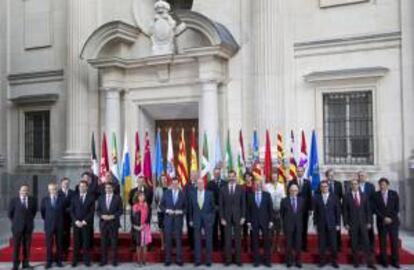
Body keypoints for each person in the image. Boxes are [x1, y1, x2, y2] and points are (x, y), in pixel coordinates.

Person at [343, 179, 376, 269]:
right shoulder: (347, 196)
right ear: (351, 186)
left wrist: (369, 222)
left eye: (356, 184)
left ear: (358, 185)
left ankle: (370, 262)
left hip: (364, 223)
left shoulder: (364, 195)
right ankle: (356, 262)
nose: (354, 185)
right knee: (354, 243)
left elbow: (368, 210)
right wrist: (346, 223)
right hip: (352, 224)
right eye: (352, 184)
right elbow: (345, 211)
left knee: (366, 243)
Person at [219, 170, 246, 266]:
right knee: (227, 240)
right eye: (229, 176)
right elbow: (221, 205)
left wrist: (243, 216)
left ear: (235, 177)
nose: (231, 178)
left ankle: (238, 260)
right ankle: (228, 260)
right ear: (228, 177)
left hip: (238, 217)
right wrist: (221, 218)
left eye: (232, 176)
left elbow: (243, 204)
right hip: (226, 218)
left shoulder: (241, 188)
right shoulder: (223, 189)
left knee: (238, 240)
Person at [8, 184, 37, 270]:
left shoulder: (32, 200)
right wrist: (17, 222)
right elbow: (10, 214)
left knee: (27, 246)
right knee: (16, 246)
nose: (24, 192)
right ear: (19, 191)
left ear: (28, 191)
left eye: (26, 190)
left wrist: (28, 222)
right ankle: (15, 264)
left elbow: (33, 213)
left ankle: (26, 263)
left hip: (28, 227)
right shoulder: (14, 200)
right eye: (23, 190)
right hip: (17, 227)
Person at [373, 178, 400, 268]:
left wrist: (391, 218)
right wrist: (384, 218)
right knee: (382, 242)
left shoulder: (394, 194)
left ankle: (395, 261)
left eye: (384, 184)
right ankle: (384, 262)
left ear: (387, 185)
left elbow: (397, 208)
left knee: (394, 242)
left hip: (393, 222)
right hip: (381, 222)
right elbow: (375, 209)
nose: (382, 186)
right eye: (380, 184)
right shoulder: (376, 195)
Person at [313, 180, 341, 268]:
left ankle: (334, 261)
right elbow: (315, 212)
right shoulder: (316, 197)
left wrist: (338, 224)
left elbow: (337, 212)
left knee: (333, 244)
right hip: (321, 224)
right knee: (322, 244)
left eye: (325, 186)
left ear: (328, 187)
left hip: (332, 224)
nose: (324, 188)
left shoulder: (335, 197)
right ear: (320, 188)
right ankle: (322, 261)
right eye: (322, 187)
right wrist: (315, 223)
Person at [188, 177, 216, 266]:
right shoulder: (192, 194)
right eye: (198, 183)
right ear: (196, 185)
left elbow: (213, 208)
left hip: (207, 220)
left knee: (208, 240)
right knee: (197, 240)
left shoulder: (210, 194)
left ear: (204, 184)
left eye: (201, 183)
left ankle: (208, 261)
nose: (200, 185)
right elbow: (190, 209)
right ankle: (198, 260)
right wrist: (191, 219)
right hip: (196, 219)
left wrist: (211, 219)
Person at [246, 179, 273, 267]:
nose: (257, 186)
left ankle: (267, 261)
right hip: (254, 222)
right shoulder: (250, 196)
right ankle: (256, 261)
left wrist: (271, 221)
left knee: (266, 242)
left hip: (265, 221)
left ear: (261, 185)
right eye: (256, 184)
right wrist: (249, 222)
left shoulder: (267, 195)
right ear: (254, 185)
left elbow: (270, 209)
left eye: (259, 184)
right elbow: (248, 210)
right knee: (255, 242)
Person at [160, 177, 187, 266]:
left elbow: (186, 208)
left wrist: (181, 211)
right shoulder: (166, 193)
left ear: (178, 184)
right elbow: (161, 206)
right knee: (168, 240)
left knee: (178, 240)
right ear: (171, 184)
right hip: (168, 220)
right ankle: (168, 259)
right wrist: (167, 210)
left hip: (178, 220)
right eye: (173, 184)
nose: (175, 185)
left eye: (176, 184)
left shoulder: (182, 194)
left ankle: (179, 259)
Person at [96, 182, 123, 266]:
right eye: (106, 188)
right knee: (103, 243)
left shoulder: (118, 198)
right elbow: (98, 211)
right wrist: (102, 216)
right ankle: (103, 260)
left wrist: (113, 216)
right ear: (104, 189)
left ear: (113, 188)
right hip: (103, 223)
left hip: (113, 223)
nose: (108, 189)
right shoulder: (100, 198)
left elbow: (120, 210)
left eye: (109, 188)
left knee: (114, 243)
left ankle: (114, 261)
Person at [70, 180, 95, 267]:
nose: (82, 188)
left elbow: (92, 212)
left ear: (87, 187)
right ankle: (74, 261)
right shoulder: (74, 197)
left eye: (84, 186)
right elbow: (71, 211)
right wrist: (76, 221)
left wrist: (84, 221)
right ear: (78, 187)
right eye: (80, 186)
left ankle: (86, 261)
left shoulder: (91, 198)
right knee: (76, 243)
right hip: (76, 224)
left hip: (86, 224)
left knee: (86, 243)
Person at [40, 182, 65, 268]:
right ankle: (49, 261)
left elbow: (64, 212)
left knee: (59, 244)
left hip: (60, 225)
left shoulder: (62, 199)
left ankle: (59, 261)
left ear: (57, 189)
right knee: (49, 244)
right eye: (51, 189)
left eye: (54, 189)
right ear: (48, 190)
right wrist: (48, 220)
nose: (53, 190)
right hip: (49, 225)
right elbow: (43, 212)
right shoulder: (45, 200)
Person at [288, 166, 312, 251]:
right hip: (295, 210)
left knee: (304, 228)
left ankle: (303, 246)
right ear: (296, 172)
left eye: (301, 171)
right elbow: (289, 196)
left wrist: (310, 209)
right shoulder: (292, 182)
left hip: (305, 210)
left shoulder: (307, 182)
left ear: (303, 172)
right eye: (298, 171)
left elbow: (310, 196)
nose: (299, 172)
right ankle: (295, 246)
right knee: (295, 228)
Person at [281, 183, 304, 268]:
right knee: (289, 244)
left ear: (298, 191)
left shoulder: (301, 200)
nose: (293, 192)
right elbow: (282, 214)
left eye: (295, 190)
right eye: (292, 190)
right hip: (288, 226)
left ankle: (298, 261)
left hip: (298, 226)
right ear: (289, 191)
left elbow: (302, 214)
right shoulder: (284, 200)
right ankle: (289, 261)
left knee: (298, 244)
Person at [319, 169, 344, 251]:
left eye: (332, 175)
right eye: (329, 175)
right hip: (326, 209)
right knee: (327, 229)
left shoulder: (338, 184)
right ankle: (327, 245)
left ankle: (338, 246)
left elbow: (341, 196)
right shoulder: (322, 184)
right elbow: (318, 194)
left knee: (337, 228)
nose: (331, 177)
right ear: (326, 176)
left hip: (336, 209)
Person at [264, 169, 286, 253]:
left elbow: (283, 198)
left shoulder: (281, 185)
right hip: (270, 211)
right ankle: (271, 246)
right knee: (270, 230)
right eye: (273, 176)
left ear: (277, 177)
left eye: (275, 176)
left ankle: (277, 246)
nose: (274, 178)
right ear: (271, 177)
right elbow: (265, 198)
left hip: (279, 210)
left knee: (278, 229)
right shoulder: (267, 186)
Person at [206, 167, 227, 250]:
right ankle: (214, 246)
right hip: (213, 210)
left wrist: (221, 207)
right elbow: (207, 197)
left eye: (218, 173)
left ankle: (223, 246)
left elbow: (226, 196)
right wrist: (214, 206)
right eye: (215, 173)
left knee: (223, 228)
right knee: (213, 228)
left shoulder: (225, 183)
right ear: (213, 174)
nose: (217, 174)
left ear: (220, 174)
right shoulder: (209, 184)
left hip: (223, 210)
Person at [131, 191, 152, 266]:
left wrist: (144, 225)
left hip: (145, 227)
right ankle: (139, 260)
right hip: (137, 228)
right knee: (138, 244)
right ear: (137, 197)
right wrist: (136, 226)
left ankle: (144, 260)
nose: (142, 197)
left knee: (145, 245)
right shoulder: (134, 206)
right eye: (140, 196)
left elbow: (148, 217)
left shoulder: (147, 206)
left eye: (143, 196)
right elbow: (132, 218)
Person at [357, 171, 376, 251]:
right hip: (357, 212)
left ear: (366, 177)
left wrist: (370, 210)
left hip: (368, 212)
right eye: (360, 176)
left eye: (363, 176)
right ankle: (360, 245)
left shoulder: (370, 186)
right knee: (359, 229)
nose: (362, 177)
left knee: (369, 228)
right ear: (358, 177)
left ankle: (371, 246)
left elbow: (373, 199)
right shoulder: (355, 185)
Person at [58, 177, 75, 257]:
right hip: (60, 217)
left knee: (67, 234)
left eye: (67, 183)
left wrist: (70, 209)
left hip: (69, 217)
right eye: (65, 183)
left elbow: (74, 203)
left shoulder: (73, 192)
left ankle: (66, 251)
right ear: (61, 183)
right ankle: (60, 252)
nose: (66, 184)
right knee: (60, 235)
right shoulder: (58, 192)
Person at [154, 174, 169, 250]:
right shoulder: (157, 189)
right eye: (162, 179)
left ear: (167, 179)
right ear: (160, 180)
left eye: (165, 178)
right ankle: (163, 244)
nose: (164, 180)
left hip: (168, 211)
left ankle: (168, 244)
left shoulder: (170, 188)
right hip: (160, 211)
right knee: (161, 228)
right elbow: (156, 200)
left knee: (168, 228)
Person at [184, 171, 198, 249]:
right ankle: (191, 245)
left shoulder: (200, 184)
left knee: (197, 228)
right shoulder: (187, 186)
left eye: (195, 175)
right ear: (190, 176)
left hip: (198, 211)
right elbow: (185, 198)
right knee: (190, 229)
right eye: (192, 175)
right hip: (189, 211)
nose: (194, 177)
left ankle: (197, 245)